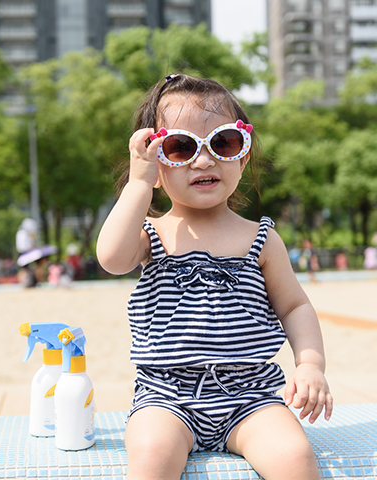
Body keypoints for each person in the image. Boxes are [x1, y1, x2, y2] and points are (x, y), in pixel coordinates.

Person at [96, 74, 332, 480]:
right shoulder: (153, 234)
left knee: (295, 458)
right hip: (166, 396)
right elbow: (112, 258)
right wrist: (138, 184)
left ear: (243, 154)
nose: (204, 160)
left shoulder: (260, 238)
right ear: (157, 160)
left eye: (223, 142)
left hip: (251, 396)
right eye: (181, 147)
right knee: (152, 455)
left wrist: (310, 364)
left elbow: (294, 306)